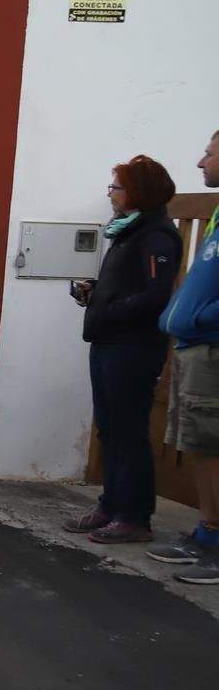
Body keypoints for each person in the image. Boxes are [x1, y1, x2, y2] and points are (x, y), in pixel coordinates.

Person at [66, 155, 183, 543]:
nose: (110, 194)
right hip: (108, 341)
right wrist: (95, 295)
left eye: (115, 186)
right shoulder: (127, 232)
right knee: (111, 428)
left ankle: (134, 515)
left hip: (132, 347)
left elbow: (155, 295)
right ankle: (110, 504)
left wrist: (110, 308)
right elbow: (126, 288)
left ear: (136, 191)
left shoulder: (157, 236)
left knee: (129, 430)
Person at [153, 130, 219, 579]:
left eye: (210, 153)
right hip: (198, 347)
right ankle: (207, 533)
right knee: (198, 445)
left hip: (211, 347)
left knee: (213, 446)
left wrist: (198, 318)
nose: (200, 161)